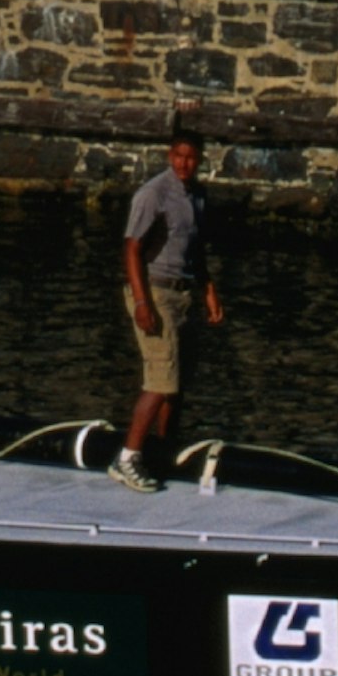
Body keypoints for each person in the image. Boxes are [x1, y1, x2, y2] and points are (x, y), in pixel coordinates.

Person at [111, 133, 223, 494]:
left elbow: (197, 249)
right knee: (160, 379)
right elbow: (132, 249)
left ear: (201, 159)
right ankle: (127, 457)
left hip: (183, 293)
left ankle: (162, 450)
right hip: (153, 291)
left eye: (190, 157)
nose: (183, 164)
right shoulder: (153, 193)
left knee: (178, 383)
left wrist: (208, 291)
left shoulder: (199, 195)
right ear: (169, 155)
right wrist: (142, 303)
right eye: (177, 156)